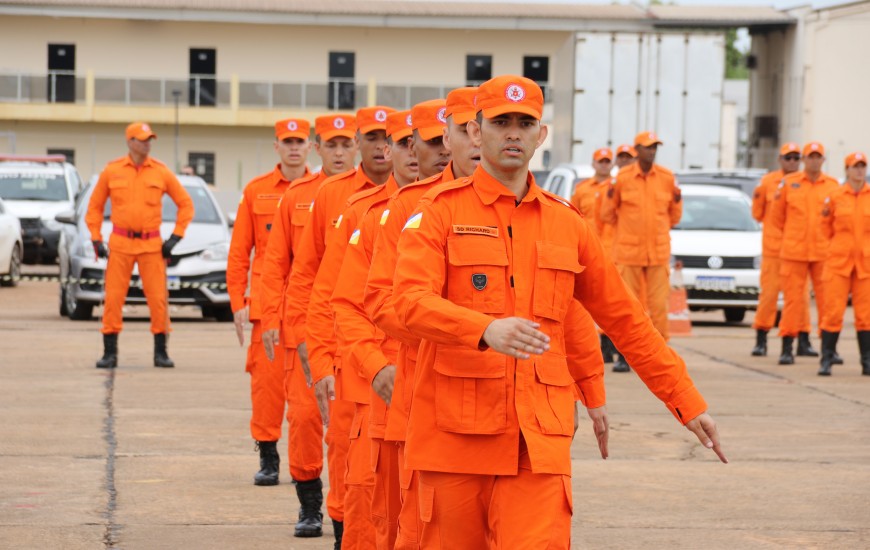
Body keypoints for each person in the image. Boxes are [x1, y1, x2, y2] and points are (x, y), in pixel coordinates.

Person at [392, 75, 726, 549]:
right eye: (500, 122)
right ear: (475, 132)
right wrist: (484, 329)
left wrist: (685, 400)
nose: (513, 133)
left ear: (540, 135)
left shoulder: (566, 223)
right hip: (455, 439)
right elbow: (408, 302)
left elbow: (625, 320)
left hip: (538, 440)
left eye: (524, 123)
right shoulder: (438, 212)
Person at [364, 87, 480, 550]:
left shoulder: (532, 210)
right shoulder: (410, 208)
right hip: (420, 387)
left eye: (478, 130)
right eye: (435, 141)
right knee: (414, 525)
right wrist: (374, 365)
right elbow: (371, 300)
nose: (470, 144)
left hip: (503, 401)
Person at [283, 105, 395, 549]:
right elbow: (308, 275)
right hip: (345, 343)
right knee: (343, 447)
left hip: (398, 350)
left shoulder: (428, 202)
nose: (382, 148)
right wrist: (307, 342)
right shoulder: (337, 198)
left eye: (391, 138)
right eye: (372, 138)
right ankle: (332, 523)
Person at [328, 104, 432, 550]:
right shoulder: (367, 214)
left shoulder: (471, 214)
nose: (418, 154)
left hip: (447, 390)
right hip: (377, 382)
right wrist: (353, 365)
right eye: (407, 144)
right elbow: (335, 296)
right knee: (373, 510)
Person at [259, 114, 358, 538]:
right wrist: (275, 320)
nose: (339, 152)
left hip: (354, 330)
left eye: (345, 144)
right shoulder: (298, 197)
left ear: (356, 147)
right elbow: (279, 265)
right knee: (303, 419)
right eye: (331, 145)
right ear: (318, 148)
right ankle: (309, 503)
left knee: (348, 430)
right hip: (307, 326)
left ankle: (348, 513)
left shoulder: (373, 196)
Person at [227, 118, 310, 490]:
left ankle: (306, 463)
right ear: (276, 146)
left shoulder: (325, 190)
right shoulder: (256, 191)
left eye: (299, 141)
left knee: (308, 393)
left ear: (310, 147)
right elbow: (239, 252)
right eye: (287, 142)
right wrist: (237, 302)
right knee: (267, 387)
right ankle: (268, 454)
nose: (293, 148)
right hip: (266, 304)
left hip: (309, 304)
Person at [86, 122, 194, 370]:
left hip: (151, 246)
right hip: (120, 244)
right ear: (130, 142)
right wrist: (96, 238)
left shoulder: (161, 172)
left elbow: (186, 204)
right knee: (113, 299)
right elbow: (94, 207)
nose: (147, 144)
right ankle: (110, 352)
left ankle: (161, 352)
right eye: (142, 139)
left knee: (158, 300)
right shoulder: (112, 171)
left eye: (149, 140)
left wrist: (176, 237)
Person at [599, 131, 682, 372]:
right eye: (647, 147)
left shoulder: (667, 178)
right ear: (637, 150)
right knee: (629, 307)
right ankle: (625, 355)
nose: (652, 151)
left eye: (655, 147)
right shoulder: (622, 179)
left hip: (657, 253)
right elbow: (607, 213)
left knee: (659, 307)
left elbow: (675, 214)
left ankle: (659, 355)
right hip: (629, 253)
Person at [769, 142, 840, 365]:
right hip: (794, 252)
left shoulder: (832, 186)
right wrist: (793, 236)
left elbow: (836, 219)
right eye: (811, 156)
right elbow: (776, 218)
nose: (814, 161)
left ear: (823, 160)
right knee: (793, 301)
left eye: (818, 157)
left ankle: (829, 349)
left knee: (828, 302)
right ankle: (787, 347)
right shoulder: (790, 183)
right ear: (804, 160)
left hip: (823, 253)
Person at [750, 143, 819, 358]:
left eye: (796, 158)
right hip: (774, 250)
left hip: (799, 252)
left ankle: (804, 340)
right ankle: (761, 339)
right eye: (788, 158)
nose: (792, 162)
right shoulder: (768, 183)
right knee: (769, 296)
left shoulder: (807, 184)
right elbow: (757, 213)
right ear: (780, 160)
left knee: (801, 298)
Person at [818, 152, 870, 376]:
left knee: (866, 315)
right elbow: (824, 228)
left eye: (862, 166)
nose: (859, 170)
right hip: (838, 263)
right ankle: (826, 359)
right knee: (833, 312)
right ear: (847, 170)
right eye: (854, 166)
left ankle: (867, 361)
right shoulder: (835, 197)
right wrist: (836, 249)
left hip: (865, 266)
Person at [571, 147, 618, 363]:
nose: (604, 165)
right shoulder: (582, 190)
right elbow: (573, 218)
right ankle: (599, 345)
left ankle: (611, 344)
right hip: (588, 252)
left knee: (613, 301)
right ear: (593, 164)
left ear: (612, 164)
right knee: (588, 303)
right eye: (601, 161)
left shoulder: (617, 188)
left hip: (613, 253)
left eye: (607, 161)